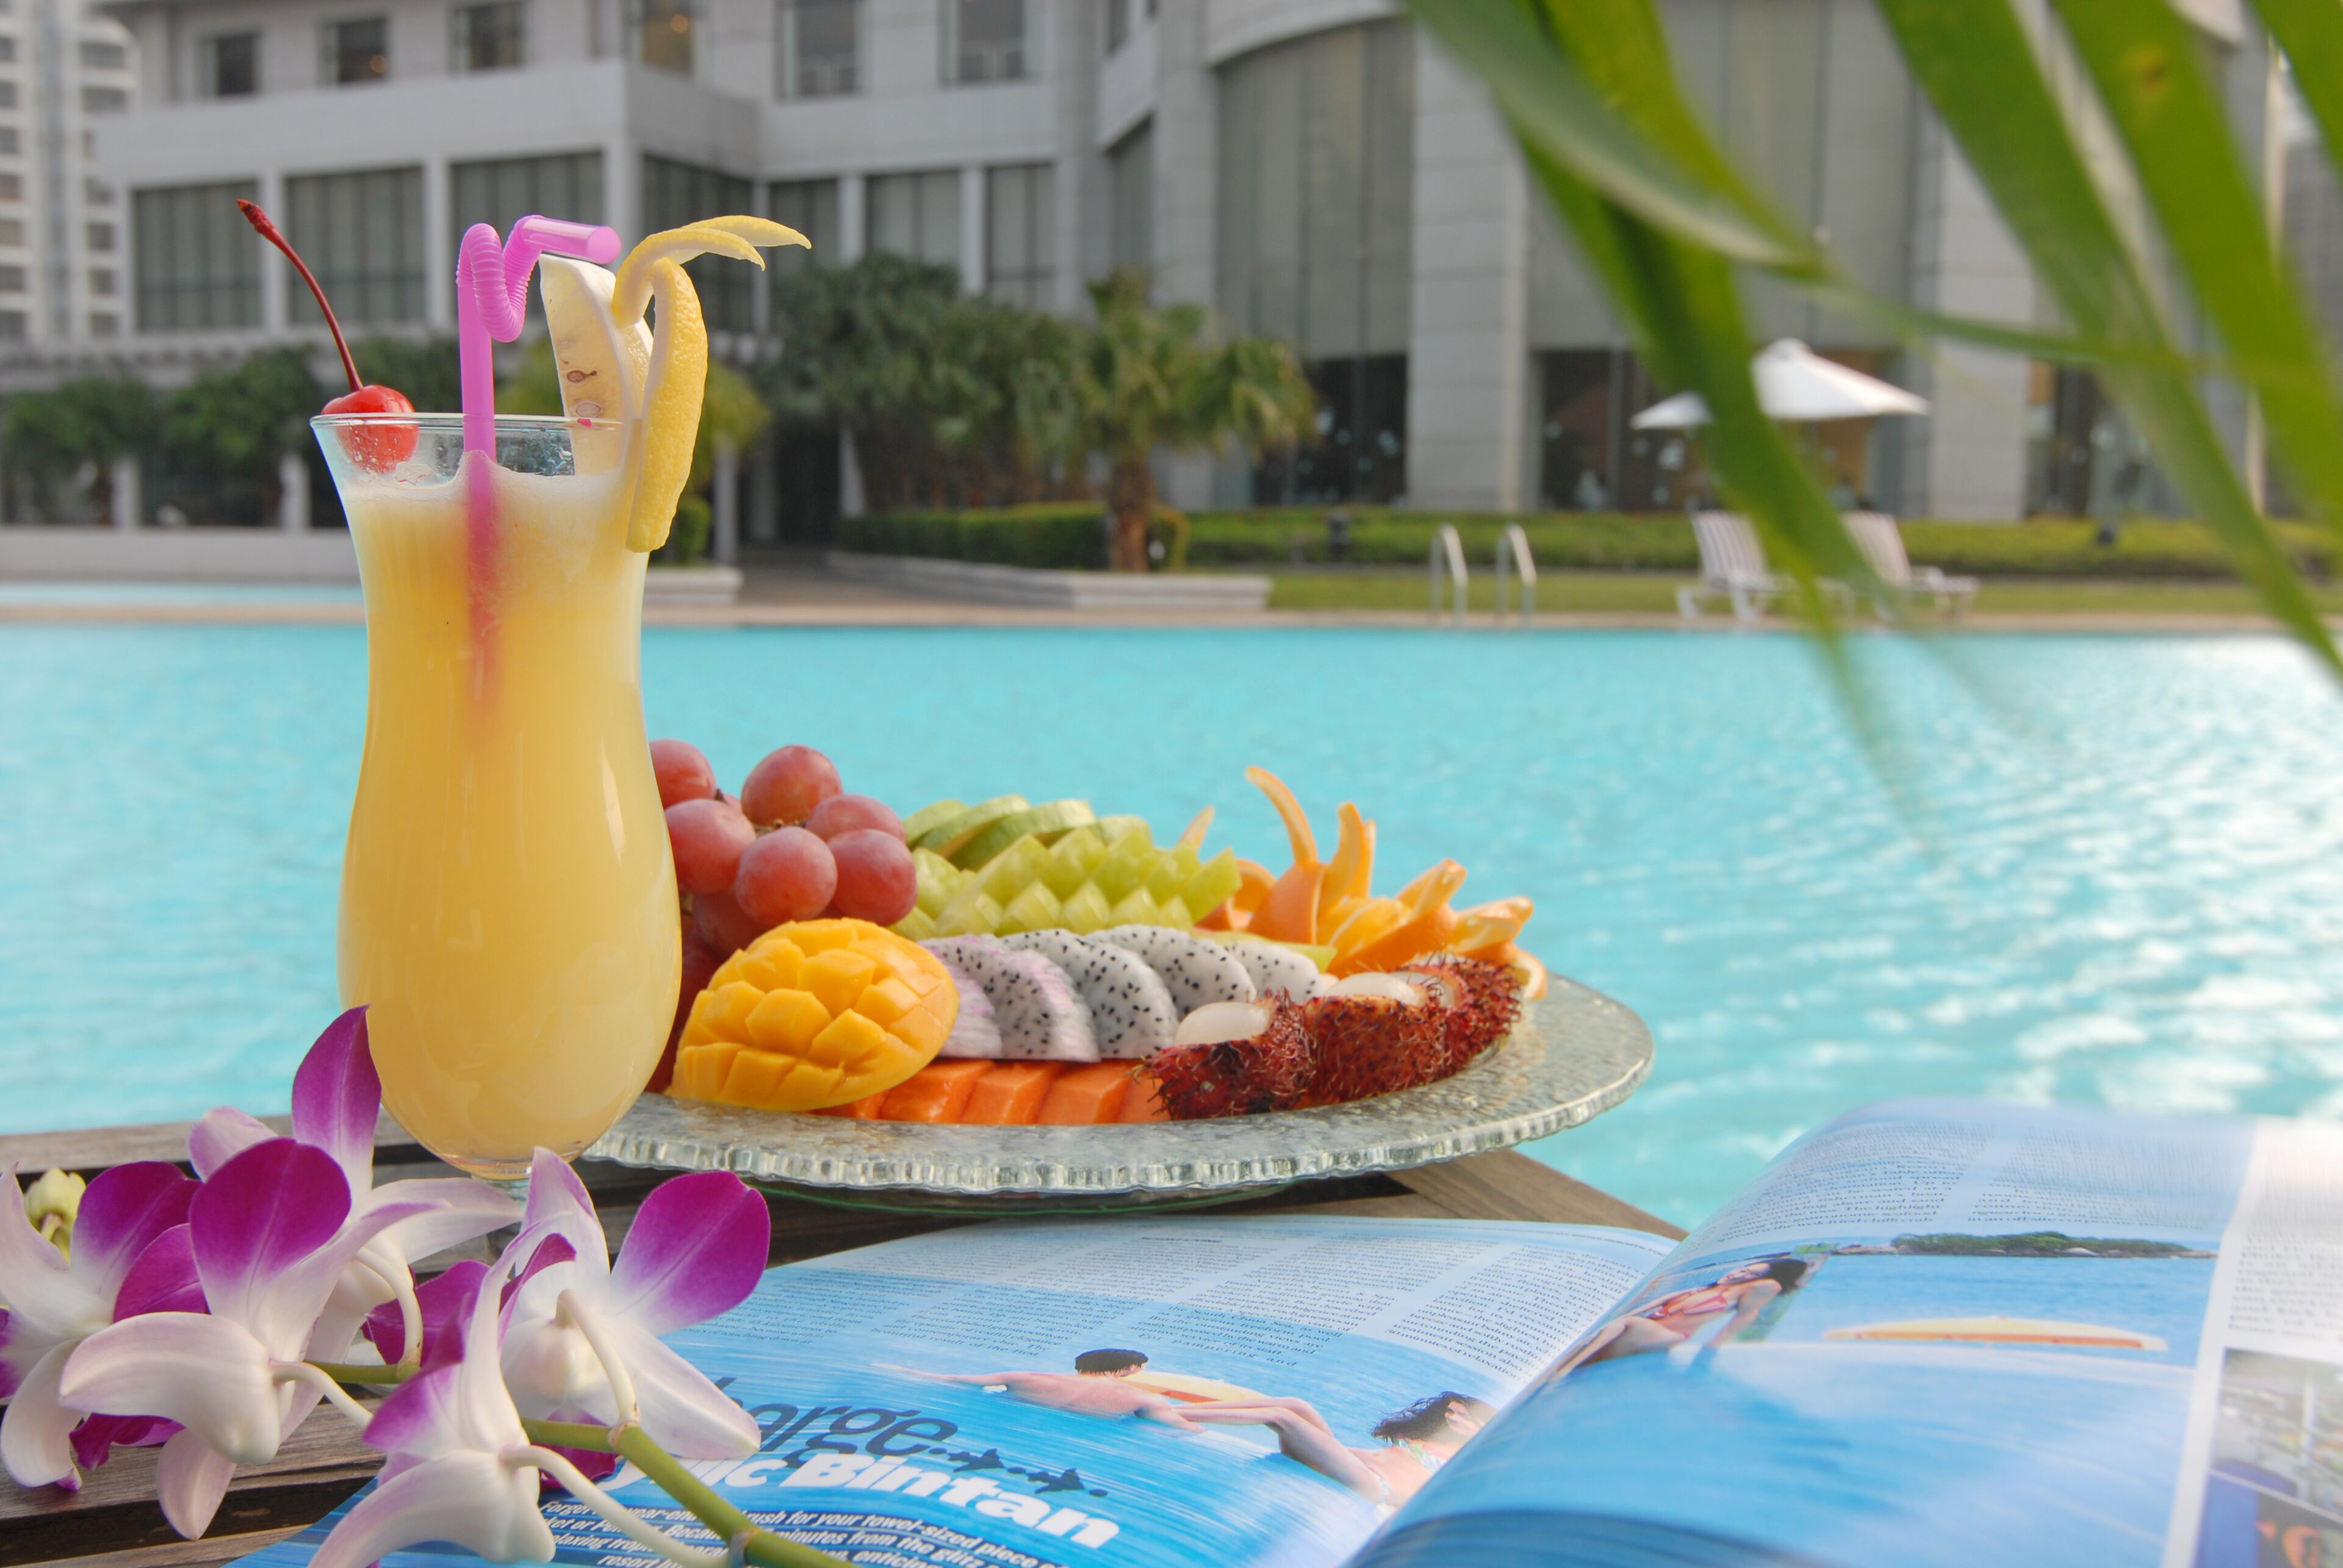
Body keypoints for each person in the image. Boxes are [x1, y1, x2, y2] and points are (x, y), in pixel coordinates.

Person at [1181, 1390, 1495, 1507]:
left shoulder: (1474, 1454)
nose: (1454, 1418)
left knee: (1282, 1417)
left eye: (1465, 1415)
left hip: (1376, 1486)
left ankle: (1168, 1414)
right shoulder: (1424, 1438)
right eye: (1451, 1412)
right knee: (1296, 1405)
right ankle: (1175, 1409)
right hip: (1349, 1463)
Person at [1550, 1257, 1812, 1378]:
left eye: (1750, 1274)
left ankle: (1564, 1371)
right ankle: (1572, 1367)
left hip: (1670, 1337)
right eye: (1743, 1268)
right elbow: (1659, 1302)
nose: (1739, 1274)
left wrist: (1713, 1348)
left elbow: (1746, 1316)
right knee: (1617, 1328)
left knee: (1624, 1324)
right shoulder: (1705, 1289)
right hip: (1649, 1328)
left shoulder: (1757, 1290)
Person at [880, 1349, 1210, 1429]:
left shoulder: (1024, 1376)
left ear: (1080, 1366)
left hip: (1004, 1426)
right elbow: (1188, 1432)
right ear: (1131, 1370)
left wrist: (894, 1369)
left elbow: (951, 1381)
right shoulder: (1140, 1398)